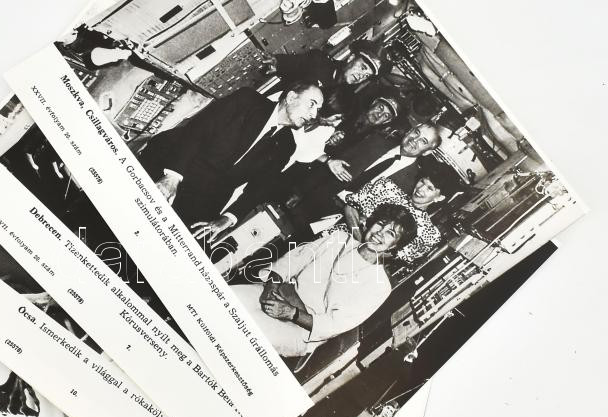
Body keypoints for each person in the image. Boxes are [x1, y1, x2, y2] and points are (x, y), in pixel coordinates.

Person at [199, 121, 443, 244]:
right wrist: (300, 189)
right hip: (304, 197)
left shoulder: (410, 182)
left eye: (423, 141)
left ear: (429, 150)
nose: (414, 140)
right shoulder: (377, 140)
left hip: (333, 222)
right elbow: (332, 160)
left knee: (278, 249)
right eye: (416, 133)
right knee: (252, 228)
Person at [229, 203, 417, 358]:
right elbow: (293, 260)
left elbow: (335, 325)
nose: (380, 232)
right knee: (227, 299)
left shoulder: (379, 286)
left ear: (394, 246)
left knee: (247, 331)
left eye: (391, 233)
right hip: (278, 293)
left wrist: (291, 313)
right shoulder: (339, 238)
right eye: (380, 224)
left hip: (301, 330)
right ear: (371, 223)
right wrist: (270, 288)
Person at [138, 82, 324, 227]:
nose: (314, 114)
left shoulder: (286, 145)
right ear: (291, 97)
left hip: (202, 197)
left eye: (318, 109)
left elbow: (260, 188)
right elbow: (196, 132)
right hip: (174, 163)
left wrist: (230, 217)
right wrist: (172, 177)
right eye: (312, 104)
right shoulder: (247, 101)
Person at [342, 160, 464, 263]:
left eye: (429, 188)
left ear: (440, 197)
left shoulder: (428, 234)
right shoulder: (386, 188)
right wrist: (360, 239)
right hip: (340, 236)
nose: (421, 189)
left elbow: (394, 257)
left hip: (361, 261)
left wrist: (367, 245)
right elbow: (350, 207)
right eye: (422, 181)